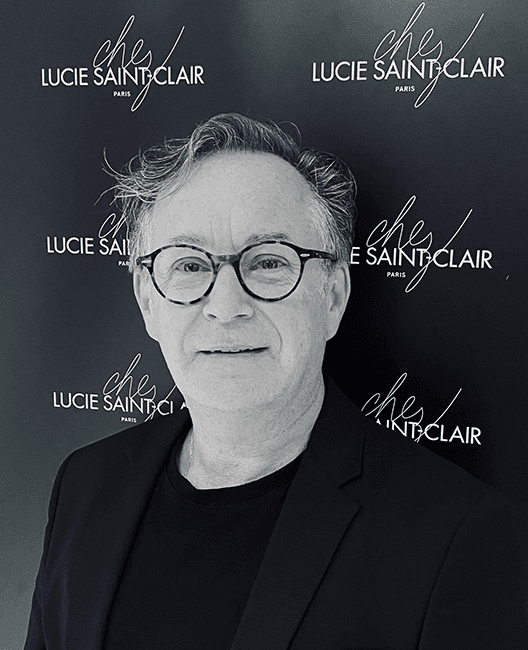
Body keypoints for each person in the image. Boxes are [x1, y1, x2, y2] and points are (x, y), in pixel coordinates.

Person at [25, 113, 527, 650]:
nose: (225, 306)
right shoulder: (84, 486)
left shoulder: (454, 537)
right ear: (148, 301)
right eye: (189, 266)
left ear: (333, 297)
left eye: (268, 262)